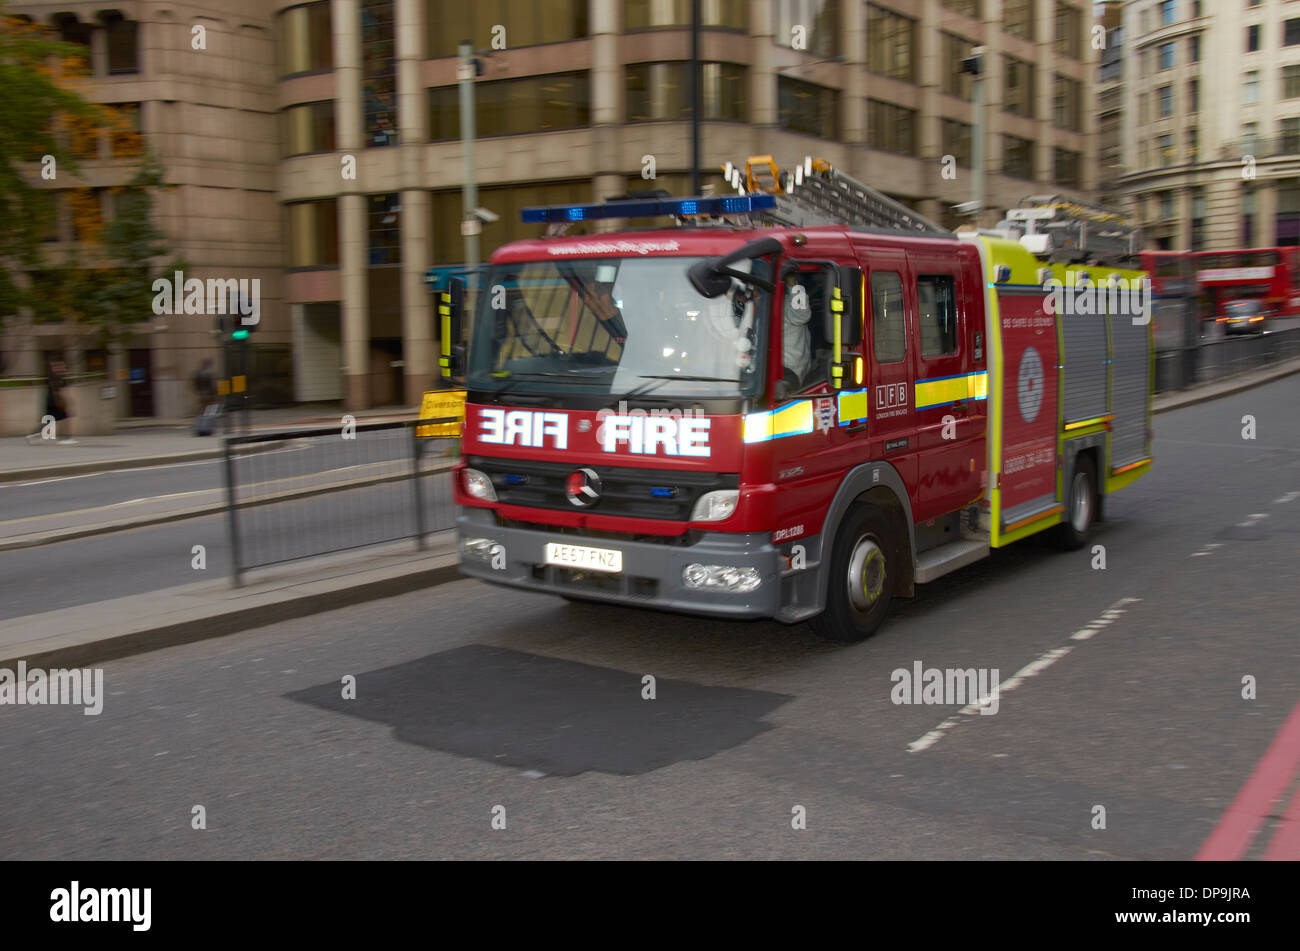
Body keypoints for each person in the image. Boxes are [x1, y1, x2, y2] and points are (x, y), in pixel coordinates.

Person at [782, 273, 813, 389]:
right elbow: (801, 315)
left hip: (795, 363)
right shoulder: (784, 302)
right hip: (791, 367)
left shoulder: (784, 300)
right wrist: (794, 286)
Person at [192, 358, 219, 436]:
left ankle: (200, 428)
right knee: (209, 412)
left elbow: (195, 384)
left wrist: (199, 392)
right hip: (209, 395)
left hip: (201, 395)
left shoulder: (197, 373)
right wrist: (214, 394)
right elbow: (212, 386)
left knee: (201, 412)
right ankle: (207, 429)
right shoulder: (209, 373)